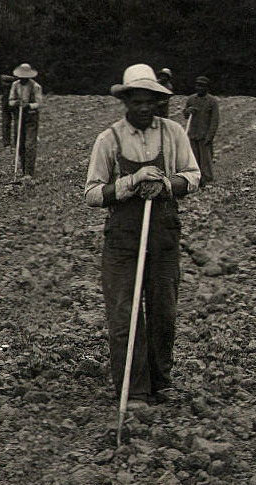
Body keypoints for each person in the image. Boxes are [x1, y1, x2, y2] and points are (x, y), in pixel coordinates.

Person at [85, 63, 200, 404]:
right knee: (125, 314)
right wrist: (130, 183)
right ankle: (133, 390)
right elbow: (92, 193)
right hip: (124, 239)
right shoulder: (109, 139)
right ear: (126, 102)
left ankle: (160, 382)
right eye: (138, 101)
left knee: (164, 313)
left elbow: (192, 176)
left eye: (151, 101)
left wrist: (166, 184)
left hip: (163, 235)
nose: (145, 107)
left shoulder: (173, 133)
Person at [182, 76, 220, 184]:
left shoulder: (212, 102)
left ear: (207, 88)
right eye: (197, 85)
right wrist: (187, 111)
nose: (199, 88)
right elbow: (185, 115)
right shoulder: (191, 99)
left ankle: (207, 180)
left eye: (202, 86)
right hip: (192, 134)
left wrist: (210, 136)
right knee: (193, 159)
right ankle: (196, 180)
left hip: (204, 136)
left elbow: (214, 121)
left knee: (206, 160)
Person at [8, 63, 43, 177]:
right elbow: (10, 101)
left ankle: (29, 172)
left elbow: (38, 103)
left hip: (30, 118)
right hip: (19, 117)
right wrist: (16, 103)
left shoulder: (35, 86)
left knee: (30, 144)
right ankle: (23, 170)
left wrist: (29, 105)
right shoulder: (15, 85)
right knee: (19, 143)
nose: (22, 79)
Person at [0, 69, 17, 147]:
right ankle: (8, 142)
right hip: (9, 98)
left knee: (13, 121)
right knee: (8, 120)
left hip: (11, 98)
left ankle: (13, 141)